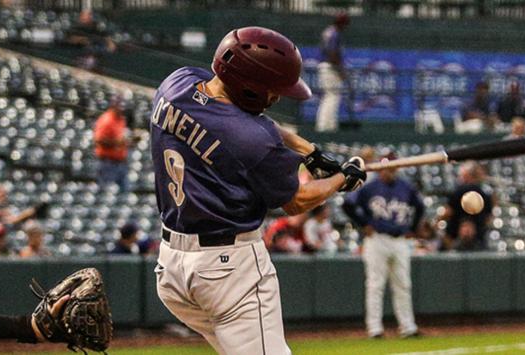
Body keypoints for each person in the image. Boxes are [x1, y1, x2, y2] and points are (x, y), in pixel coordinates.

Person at [150, 26, 366, 355]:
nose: (277, 97)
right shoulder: (252, 140)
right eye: (272, 90)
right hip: (228, 272)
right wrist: (343, 179)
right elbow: (296, 201)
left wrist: (309, 151)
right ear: (248, 87)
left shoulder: (175, 83)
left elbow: (244, 119)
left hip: (172, 270)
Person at [343, 150, 424, 339]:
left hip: (400, 239)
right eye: (386, 166)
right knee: (375, 285)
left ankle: (408, 327)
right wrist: (363, 224)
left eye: (392, 166)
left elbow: (419, 207)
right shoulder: (370, 187)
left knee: (403, 284)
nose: (388, 170)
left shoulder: (405, 187)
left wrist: (413, 227)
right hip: (377, 239)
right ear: (380, 167)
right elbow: (348, 205)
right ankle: (375, 329)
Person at [438, 161, 494, 251]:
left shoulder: (459, 191)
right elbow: (489, 218)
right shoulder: (484, 193)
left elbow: (447, 212)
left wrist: (438, 221)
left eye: (462, 175)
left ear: (468, 175)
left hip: (455, 235)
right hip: (478, 238)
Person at [315, 13, 350, 133]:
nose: (345, 27)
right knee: (332, 95)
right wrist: (341, 70)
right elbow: (333, 54)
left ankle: (324, 126)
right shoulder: (335, 34)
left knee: (328, 96)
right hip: (330, 67)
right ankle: (326, 128)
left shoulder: (328, 31)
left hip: (326, 65)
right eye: (345, 24)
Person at [93, 98, 133, 192]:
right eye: (120, 106)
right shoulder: (106, 120)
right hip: (108, 163)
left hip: (121, 162)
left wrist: (129, 141)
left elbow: (121, 138)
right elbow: (99, 140)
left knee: (124, 192)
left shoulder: (121, 119)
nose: (122, 109)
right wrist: (116, 142)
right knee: (107, 192)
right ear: (113, 106)